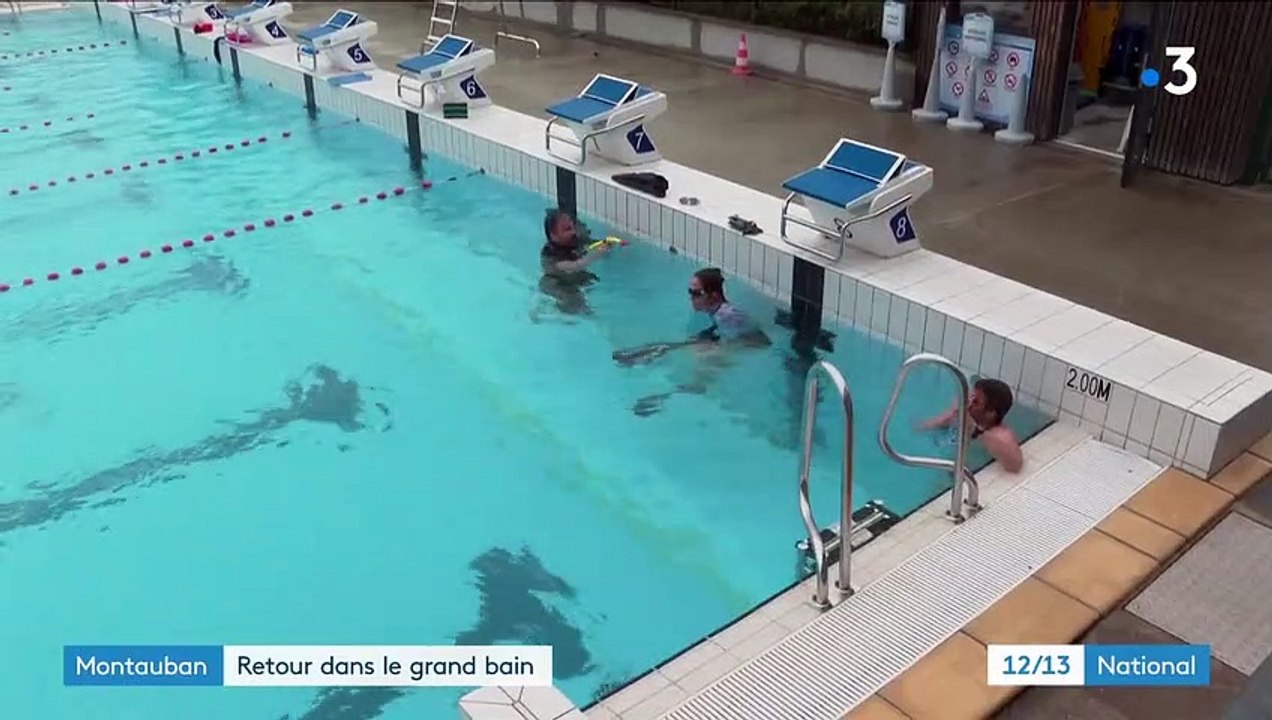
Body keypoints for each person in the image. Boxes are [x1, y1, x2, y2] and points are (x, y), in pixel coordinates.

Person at [620, 268, 770, 416]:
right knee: (692, 343)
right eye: (690, 292)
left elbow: (756, 342)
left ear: (714, 295)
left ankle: (672, 398)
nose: (691, 298)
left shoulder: (727, 316)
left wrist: (716, 350)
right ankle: (649, 354)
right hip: (731, 339)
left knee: (705, 358)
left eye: (696, 293)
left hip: (750, 347)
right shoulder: (717, 312)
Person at [919, 377, 1023, 473]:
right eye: (971, 396)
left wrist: (974, 430)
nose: (969, 403)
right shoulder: (965, 413)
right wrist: (951, 414)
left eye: (976, 401)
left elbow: (1016, 466)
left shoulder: (1000, 435)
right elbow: (924, 427)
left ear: (991, 413)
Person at [536, 208, 613, 317]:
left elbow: (587, 244)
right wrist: (596, 254)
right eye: (567, 229)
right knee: (577, 305)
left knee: (592, 280)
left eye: (573, 227)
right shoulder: (551, 255)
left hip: (572, 277)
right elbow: (574, 267)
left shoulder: (572, 240)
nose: (573, 232)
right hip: (556, 283)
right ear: (553, 236)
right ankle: (547, 311)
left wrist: (603, 244)